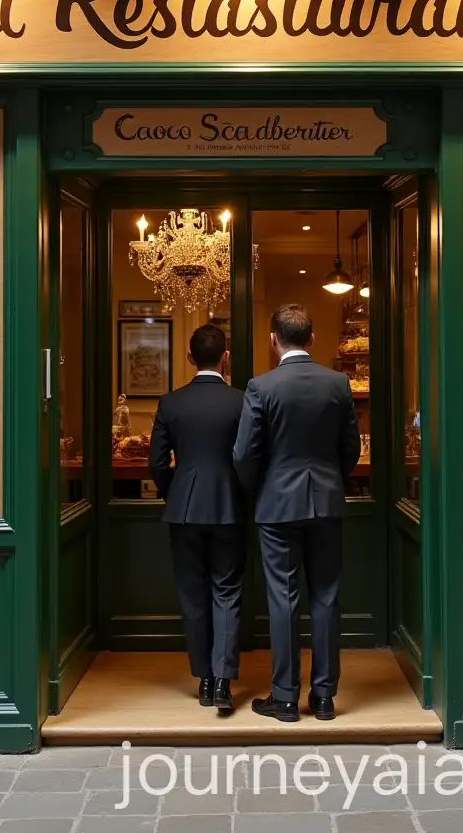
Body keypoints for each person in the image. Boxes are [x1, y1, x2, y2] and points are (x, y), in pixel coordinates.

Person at [233, 304, 361, 723]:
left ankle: (285, 698)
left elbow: (244, 453)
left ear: (274, 340)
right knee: (325, 597)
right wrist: (329, 479)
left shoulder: (261, 386)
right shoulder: (338, 383)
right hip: (326, 500)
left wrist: (261, 487)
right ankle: (324, 698)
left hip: (277, 504)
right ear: (311, 338)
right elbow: (351, 450)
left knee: (282, 599)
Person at [149, 323, 247, 714]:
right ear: (226, 357)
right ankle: (223, 680)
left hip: (185, 509)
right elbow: (251, 456)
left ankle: (204, 677)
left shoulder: (171, 403)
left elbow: (156, 463)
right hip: (229, 507)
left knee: (192, 593)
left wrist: (174, 491)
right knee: (228, 590)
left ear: (190, 358)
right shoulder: (242, 401)